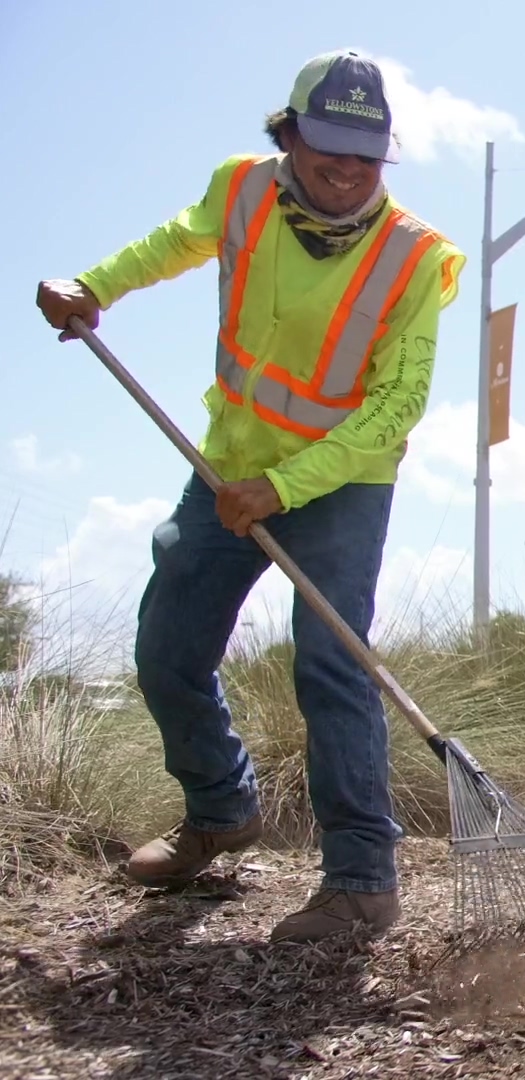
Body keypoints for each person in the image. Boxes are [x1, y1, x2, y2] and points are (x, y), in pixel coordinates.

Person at [34, 50, 465, 942]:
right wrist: (97, 286)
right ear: (289, 136)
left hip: (341, 481)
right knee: (167, 648)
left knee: (331, 663)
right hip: (227, 466)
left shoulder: (416, 258)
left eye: (367, 156)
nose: (346, 171)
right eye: (328, 150)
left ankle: (360, 878)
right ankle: (220, 809)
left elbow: (395, 408)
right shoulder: (239, 192)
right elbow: (174, 242)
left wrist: (285, 486)